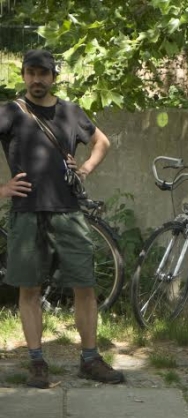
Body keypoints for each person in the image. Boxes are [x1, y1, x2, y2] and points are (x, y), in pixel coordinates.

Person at [0, 49, 123, 388]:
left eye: (43, 73)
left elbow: (101, 141)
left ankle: (90, 359)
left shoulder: (69, 112)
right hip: (27, 212)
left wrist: (85, 168)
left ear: (54, 76)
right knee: (29, 289)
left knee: (85, 284)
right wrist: (2, 189)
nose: (37, 79)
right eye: (31, 72)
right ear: (23, 75)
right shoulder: (11, 112)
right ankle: (37, 362)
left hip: (68, 211)